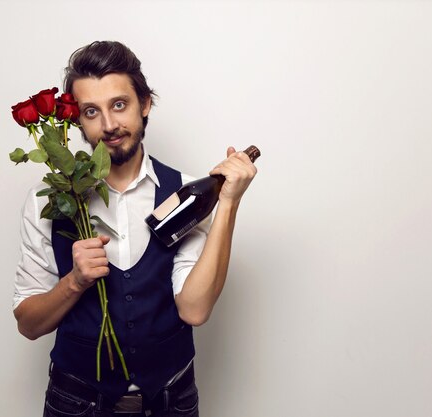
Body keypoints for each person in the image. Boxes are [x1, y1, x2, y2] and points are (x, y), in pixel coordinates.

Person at [13, 40, 257, 417]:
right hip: (75, 404)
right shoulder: (47, 202)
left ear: (144, 104)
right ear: (76, 119)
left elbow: (193, 309)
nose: (109, 125)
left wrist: (228, 202)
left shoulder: (186, 192)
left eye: (120, 105)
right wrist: (74, 282)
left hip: (170, 403)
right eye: (91, 111)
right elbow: (28, 324)